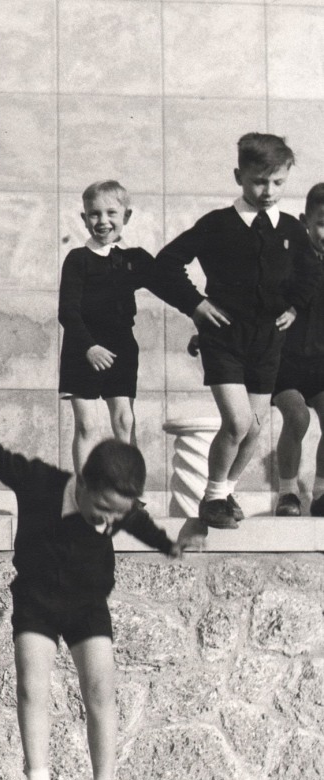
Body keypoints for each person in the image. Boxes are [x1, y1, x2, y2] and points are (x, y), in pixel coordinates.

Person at [0, 379, 188, 780]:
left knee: (101, 691)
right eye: (104, 509)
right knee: (32, 687)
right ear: (84, 482)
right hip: (37, 601)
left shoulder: (117, 507)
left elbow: (138, 521)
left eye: (118, 515)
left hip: (87, 604)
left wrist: (168, 545)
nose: (109, 521)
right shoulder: (39, 483)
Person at [155, 132, 322, 529]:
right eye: (259, 181)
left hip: (267, 344)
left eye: (278, 182)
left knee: (254, 429)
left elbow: (310, 272)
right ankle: (213, 497)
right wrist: (196, 304)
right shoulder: (217, 225)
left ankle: (224, 492)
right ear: (239, 177)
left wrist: (294, 307)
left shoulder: (290, 229)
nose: (268, 191)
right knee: (237, 422)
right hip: (225, 340)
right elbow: (165, 263)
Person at [59, 180, 168, 475]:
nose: (102, 221)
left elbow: (170, 286)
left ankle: (127, 490)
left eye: (111, 213)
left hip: (121, 348)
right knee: (87, 425)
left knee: (124, 421)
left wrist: (201, 309)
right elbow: (67, 311)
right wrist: (89, 347)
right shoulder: (77, 259)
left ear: (126, 216)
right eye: (94, 214)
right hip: (82, 349)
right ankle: (85, 491)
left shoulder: (134, 259)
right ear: (84, 218)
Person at [271, 183, 324, 517]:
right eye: (322, 223)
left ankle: (321, 492)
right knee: (298, 416)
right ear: (305, 221)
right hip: (285, 362)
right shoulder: (290, 262)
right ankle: (288, 492)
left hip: (321, 362)